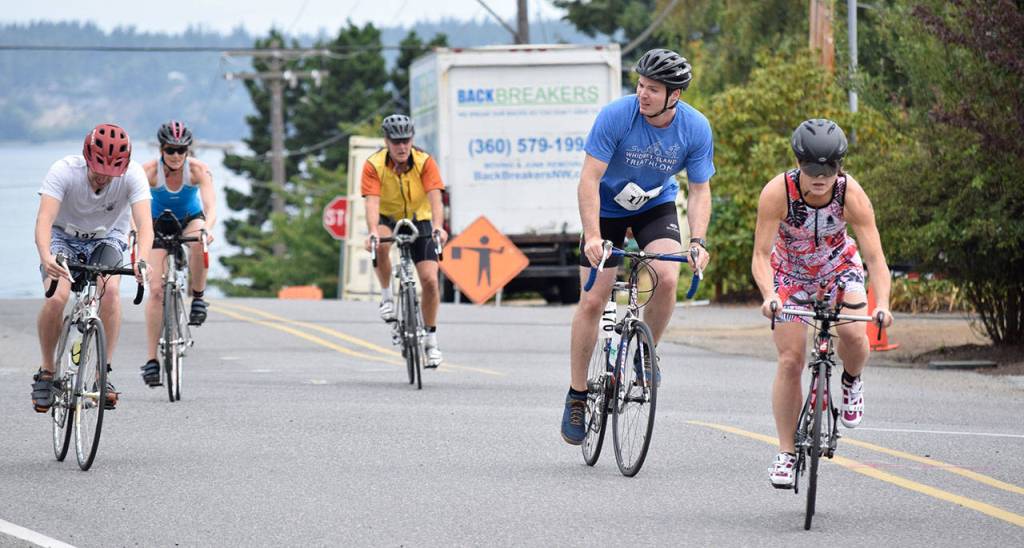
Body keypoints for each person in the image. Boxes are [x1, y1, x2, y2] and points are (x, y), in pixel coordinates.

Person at [561, 48, 715, 445]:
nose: (643, 94)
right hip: (607, 208)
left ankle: (647, 352)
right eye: (641, 85)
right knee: (593, 300)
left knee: (666, 276)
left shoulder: (695, 128)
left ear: (674, 95)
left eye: (653, 89)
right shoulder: (617, 115)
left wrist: (698, 241)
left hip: (654, 203)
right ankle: (577, 394)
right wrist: (593, 236)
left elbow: (700, 191)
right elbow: (589, 179)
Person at [752, 118, 894, 489]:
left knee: (854, 333)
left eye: (829, 168)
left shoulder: (851, 194)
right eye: (812, 169)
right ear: (798, 162)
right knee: (790, 360)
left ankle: (851, 379)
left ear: (840, 165)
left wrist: (884, 305)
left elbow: (876, 259)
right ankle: (785, 453)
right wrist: (769, 295)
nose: (820, 177)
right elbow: (761, 254)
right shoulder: (777, 192)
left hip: (838, 269)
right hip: (790, 273)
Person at [31, 123, 153, 411]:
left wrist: (143, 259)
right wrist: (46, 256)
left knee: (109, 291)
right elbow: (44, 221)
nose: (104, 178)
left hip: (107, 237)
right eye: (99, 171)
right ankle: (47, 371)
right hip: (62, 237)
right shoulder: (63, 171)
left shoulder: (133, 175)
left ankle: (102, 375)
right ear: (87, 159)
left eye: (112, 174)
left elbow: (146, 224)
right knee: (57, 297)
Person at [361, 114, 449, 368]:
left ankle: (431, 340)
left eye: (405, 140)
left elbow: (435, 198)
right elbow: (372, 203)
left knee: (431, 282)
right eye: (395, 141)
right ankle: (387, 296)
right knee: (381, 242)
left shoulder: (425, 162)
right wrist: (372, 231)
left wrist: (437, 228)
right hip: (388, 217)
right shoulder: (374, 165)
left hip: (419, 219)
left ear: (412, 139)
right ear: (386, 141)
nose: (401, 146)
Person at [139, 120, 217, 386]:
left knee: (198, 241)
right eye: (170, 150)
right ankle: (151, 360)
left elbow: (211, 205)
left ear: (188, 151)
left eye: (181, 150)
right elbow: (132, 207)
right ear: (161, 149)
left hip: (189, 218)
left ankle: (198, 297)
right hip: (156, 224)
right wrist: (136, 233)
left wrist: (208, 228)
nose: (176, 156)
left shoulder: (198, 170)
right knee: (157, 290)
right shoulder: (148, 172)